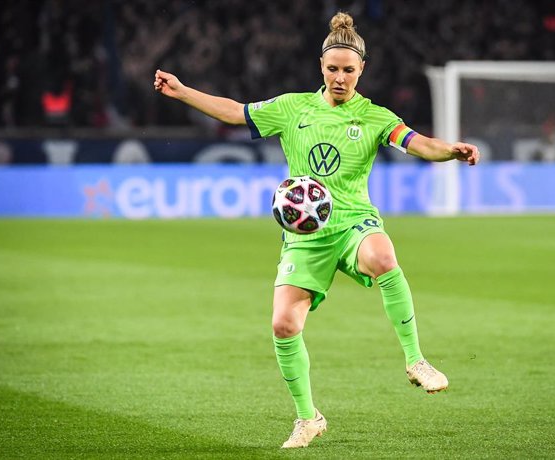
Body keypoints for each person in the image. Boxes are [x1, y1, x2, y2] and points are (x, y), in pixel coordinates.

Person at [154, 11, 479, 449]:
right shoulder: (292, 108)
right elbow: (235, 112)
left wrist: (450, 151)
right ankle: (308, 419)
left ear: (362, 69)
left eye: (348, 70)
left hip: (353, 223)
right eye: (332, 69)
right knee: (284, 326)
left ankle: (416, 360)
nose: (340, 77)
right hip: (305, 237)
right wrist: (182, 91)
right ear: (321, 68)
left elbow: (417, 142)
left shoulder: (376, 116)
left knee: (383, 257)